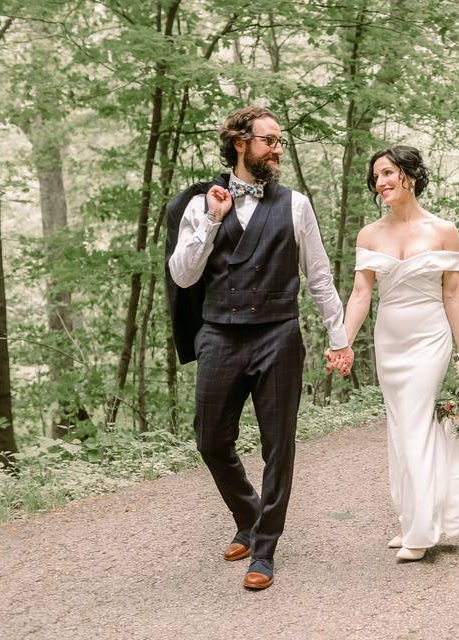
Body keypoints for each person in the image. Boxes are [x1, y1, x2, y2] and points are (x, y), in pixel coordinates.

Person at [166, 106, 353, 590]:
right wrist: (212, 219)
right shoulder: (198, 203)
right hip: (219, 336)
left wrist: (339, 338)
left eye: (279, 142)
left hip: (278, 336)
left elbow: (319, 275)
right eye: (269, 141)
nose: (277, 149)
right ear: (240, 143)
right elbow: (183, 275)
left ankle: (264, 548)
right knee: (210, 440)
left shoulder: (296, 205)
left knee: (278, 446)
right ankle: (248, 516)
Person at [339, 145, 459, 561]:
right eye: (376, 177)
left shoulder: (443, 231)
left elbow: (452, 292)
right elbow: (361, 293)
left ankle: (421, 532)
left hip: (429, 337)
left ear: (410, 175)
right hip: (390, 339)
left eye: (388, 173)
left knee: (417, 423)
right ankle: (411, 517)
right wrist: (343, 340)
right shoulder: (369, 235)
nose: (380, 182)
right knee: (400, 427)